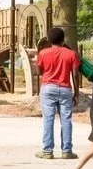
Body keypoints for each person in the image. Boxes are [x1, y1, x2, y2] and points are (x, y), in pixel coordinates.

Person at [34, 26, 81, 160]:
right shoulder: (71, 54)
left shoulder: (43, 53)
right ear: (63, 39)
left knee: (48, 119)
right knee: (66, 120)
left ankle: (47, 151)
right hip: (65, 88)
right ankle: (67, 150)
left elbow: (39, 72)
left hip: (48, 87)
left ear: (49, 40)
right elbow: (75, 75)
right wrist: (76, 93)